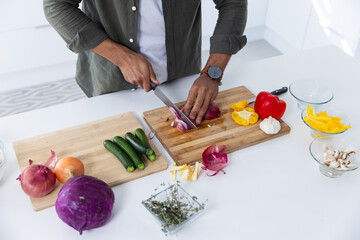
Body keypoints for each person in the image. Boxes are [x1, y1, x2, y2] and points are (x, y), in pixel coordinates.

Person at [43, 0, 247, 125]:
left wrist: (213, 72)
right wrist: (121, 57)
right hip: (112, 87)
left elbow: (233, 3)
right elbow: (56, 5)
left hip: (183, 84)